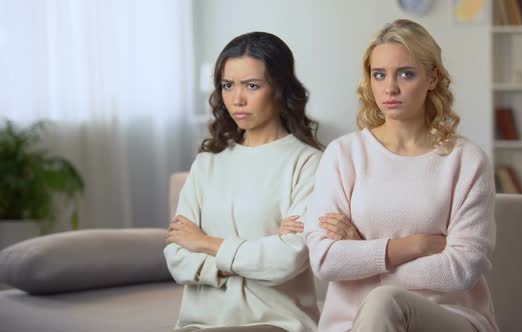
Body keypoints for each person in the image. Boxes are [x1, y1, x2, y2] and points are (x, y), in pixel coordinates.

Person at [304, 19, 499, 332]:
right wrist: (417, 245)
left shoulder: (466, 160)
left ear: (432, 77)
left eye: (405, 74)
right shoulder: (343, 155)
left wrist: (364, 256)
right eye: (379, 75)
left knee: (385, 301)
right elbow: (326, 260)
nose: (390, 88)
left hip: (449, 316)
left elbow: (463, 268)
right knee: (382, 304)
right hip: (351, 323)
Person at [164, 31, 322, 332]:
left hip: (277, 323)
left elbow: (286, 260)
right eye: (227, 85)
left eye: (252, 85)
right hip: (197, 324)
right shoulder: (207, 162)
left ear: (280, 88)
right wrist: (255, 252)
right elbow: (176, 257)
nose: (237, 99)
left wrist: (205, 243)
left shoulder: (309, 163)